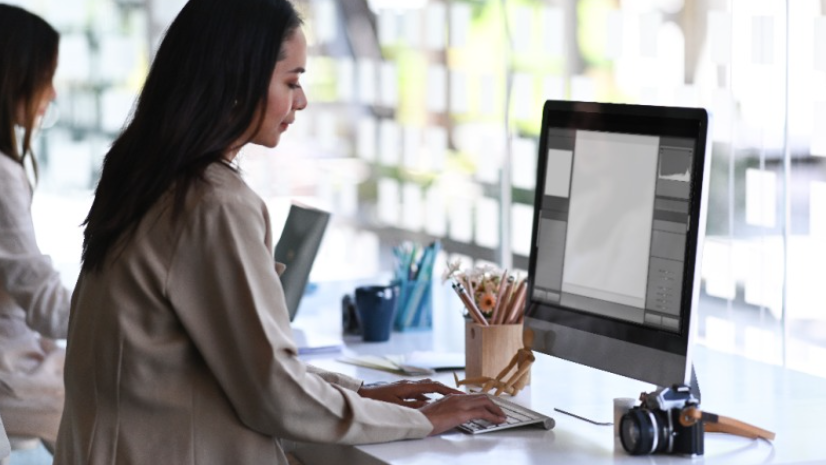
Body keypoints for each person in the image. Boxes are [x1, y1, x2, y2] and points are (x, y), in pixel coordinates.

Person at [54, 0, 505, 463]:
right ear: (238, 79)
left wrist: (361, 393)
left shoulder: (143, 175)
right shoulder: (214, 203)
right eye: (291, 82)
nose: (302, 100)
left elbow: (238, 366)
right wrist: (423, 420)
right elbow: (272, 393)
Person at [0, 3, 70, 455]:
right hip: (11, 369)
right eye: (47, 76)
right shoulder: (2, 175)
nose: (53, 92)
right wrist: (123, 316)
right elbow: (42, 300)